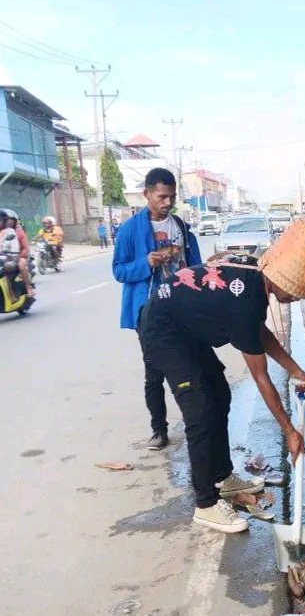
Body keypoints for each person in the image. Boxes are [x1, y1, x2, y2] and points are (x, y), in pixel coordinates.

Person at [138, 252, 305, 533]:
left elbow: (256, 332)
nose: (298, 297)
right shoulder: (246, 301)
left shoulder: (256, 280)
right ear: (282, 278)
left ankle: (222, 478)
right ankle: (206, 504)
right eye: (296, 290)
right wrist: (289, 430)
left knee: (220, 394)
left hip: (188, 332)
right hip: (164, 333)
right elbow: (260, 375)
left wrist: (293, 368)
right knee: (200, 412)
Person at [112, 168, 202, 450]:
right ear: (147, 194)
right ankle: (159, 430)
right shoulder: (130, 230)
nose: (167, 202)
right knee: (155, 372)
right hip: (148, 312)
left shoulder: (181, 227)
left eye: (172, 197)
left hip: (182, 310)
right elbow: (119, 271)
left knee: (191, 367)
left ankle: (196, 426)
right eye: (162, 196)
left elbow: (196, 266)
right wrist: (146, 263)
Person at [1, 209, 34, 296]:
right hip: (4, 257)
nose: (9, 222)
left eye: (11, 220)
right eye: (8, 220)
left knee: (21, 265)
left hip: (18, 256)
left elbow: (25, 248)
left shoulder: (18, 231)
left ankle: (28, 287)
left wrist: (18, 256)